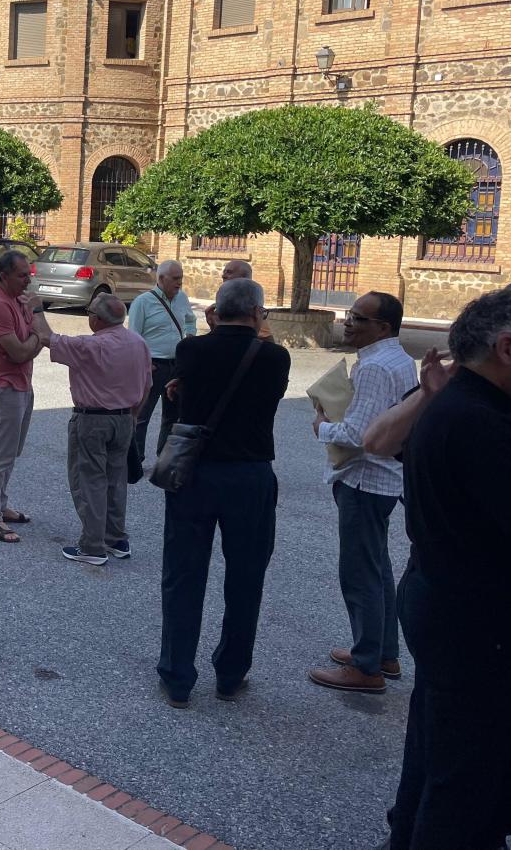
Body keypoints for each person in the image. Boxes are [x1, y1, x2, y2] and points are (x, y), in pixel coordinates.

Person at [380, 289, 511, 850]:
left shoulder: (460, 404)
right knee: (464, 788)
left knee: (436, 760)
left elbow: (496, 502)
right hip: (480, 624)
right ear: (508, 347)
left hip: (448, 603)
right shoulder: (479, 419)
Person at [157, 278, 290, 708]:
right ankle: (231, 674)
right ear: (256, 312)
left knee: (183, 574)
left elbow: (184, 404)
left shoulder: (191, 351)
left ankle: (177, 676)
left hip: (195, 473)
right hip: (250, 474)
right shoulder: (275, 358)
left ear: (216, 312)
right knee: (246, 578)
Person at [308, 292, 417, 694]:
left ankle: (367, 666)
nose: (348, 323)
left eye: (358, 318)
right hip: (384, 480)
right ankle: (383, 653)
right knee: (377, 567)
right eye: (349, 315)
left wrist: (322, 427)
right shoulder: (398, 359)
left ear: (383, 327)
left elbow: (358, 435)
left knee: (360, 573)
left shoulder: (375, 368)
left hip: (365, 480)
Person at [31, 292, 150, 564]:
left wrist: (37, 308)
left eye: (90, 312)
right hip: (124, 418)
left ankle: (92, 546)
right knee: (116, 480)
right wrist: (133, 416)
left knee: (90, 481)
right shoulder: (138, 343)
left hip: (92, 419)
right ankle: (116, 538)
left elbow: (46, 337)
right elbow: (147, 385)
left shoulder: (90, 346)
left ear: (96, 320)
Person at [0, 249, 40, 544]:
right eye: (22, 275)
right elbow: (19, 352)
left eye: (29, 274)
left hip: (21, 383)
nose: (28, 280)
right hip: (4, 385)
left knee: (11, 452)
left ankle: (0, 506)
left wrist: (33, 338)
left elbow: (30, 340)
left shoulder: (17, 298)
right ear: (4, 276)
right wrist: (38, 339)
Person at [128, 259, 196, 469]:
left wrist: (189, 336)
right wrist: (143, 364)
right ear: (161, 278)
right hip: (153, 366)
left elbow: (190, 320)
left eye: (181, 278)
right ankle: (135, 461)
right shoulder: (142, 302)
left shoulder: (182, 298)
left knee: (173, 416)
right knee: (142, 415)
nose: (179, 283)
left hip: (177, 365)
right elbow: (133, 337)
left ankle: (165, 460)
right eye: (175, 279)